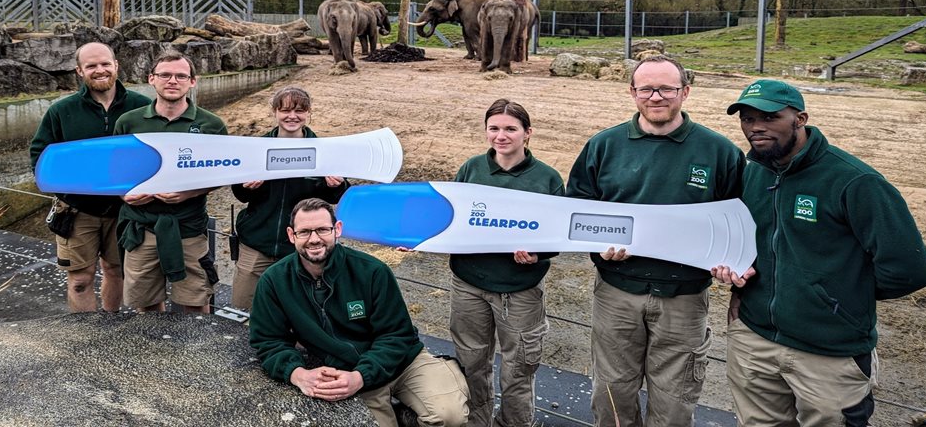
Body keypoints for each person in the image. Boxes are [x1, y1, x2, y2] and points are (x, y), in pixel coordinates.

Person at [712, 79, 926, 426]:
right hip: (755, 340)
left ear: (800, 118)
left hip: (829, 353)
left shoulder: (855, 181)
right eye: (747, 118)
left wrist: (836, 298)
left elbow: (911, 270)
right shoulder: (753, 172)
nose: (756, 126)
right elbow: (749, 243)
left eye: (770, 117)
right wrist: (740, 283)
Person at [565, 54, 746, 427]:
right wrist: (597, 246)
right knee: (612, 395)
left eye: (667, 88)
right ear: (632, 92)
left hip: (684, 299)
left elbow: (738, 221)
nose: (656, 96)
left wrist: (730, 259)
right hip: (617, 292)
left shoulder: (719, 152)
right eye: (646, 88)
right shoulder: (604, 146)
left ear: (685, 92)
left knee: (675, 402)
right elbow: (577, 208)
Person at [249, 197, 470, 427]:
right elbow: (268, 340)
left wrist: (361, 377)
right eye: (304, 232)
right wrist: (297, 374)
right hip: (344, 369)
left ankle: (410, 412)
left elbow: (397, 336)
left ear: (338, 229)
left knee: (450, 415)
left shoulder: (373, 271)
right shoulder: (274, 281)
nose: (314, 239)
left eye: (323, 229)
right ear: (291, 235)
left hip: (402, 363)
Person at [450, 98, 564, 427]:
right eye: (494, 128)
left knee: (519, 368)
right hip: (469, 284)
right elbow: (452, 216)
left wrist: (538, 254)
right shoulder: (471, 169)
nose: (501, 136)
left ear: (527, 133)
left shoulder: (547, 179)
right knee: (472, 362)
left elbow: (558, 234)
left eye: (510, 129)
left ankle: (515, 423)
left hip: (519, 290)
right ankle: (477, 421)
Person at [29, 42, 151, 312]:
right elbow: (40, 159)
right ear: (79, 71)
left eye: (105, 64)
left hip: (125, 210)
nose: (100, 70)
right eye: (91, 66)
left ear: (116, 65)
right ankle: (85, 336)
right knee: (80, 279)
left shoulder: (141, 106)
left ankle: (109, 326)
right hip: (77, 210)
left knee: (116, 270)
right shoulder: (61, 111)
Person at [113, 50, 228, 313]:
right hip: (142, 229)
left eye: (180, 75)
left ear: (192, 82)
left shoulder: (211, 125)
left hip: (188, 228)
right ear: (151, 79)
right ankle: (154, 352)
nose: (172, 81)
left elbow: (223, 173)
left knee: (195, 303)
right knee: (146, 304)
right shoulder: (128, 122)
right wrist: (124, 195)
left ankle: (195, 352)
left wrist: (189, 193)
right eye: (165, 75)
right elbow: (117, 172)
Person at [230, 85, 348, 311]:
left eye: (299, 111)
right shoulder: (255, 148)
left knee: (298, 311)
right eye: (285, 110)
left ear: (308, 113)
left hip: (300, 247)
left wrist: (337, 184)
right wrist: (248, 186)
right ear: (274, 112)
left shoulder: (324, 150)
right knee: (243, 308)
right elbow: (241, 194)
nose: (292, 116)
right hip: (256, 243)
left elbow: (334, 196)